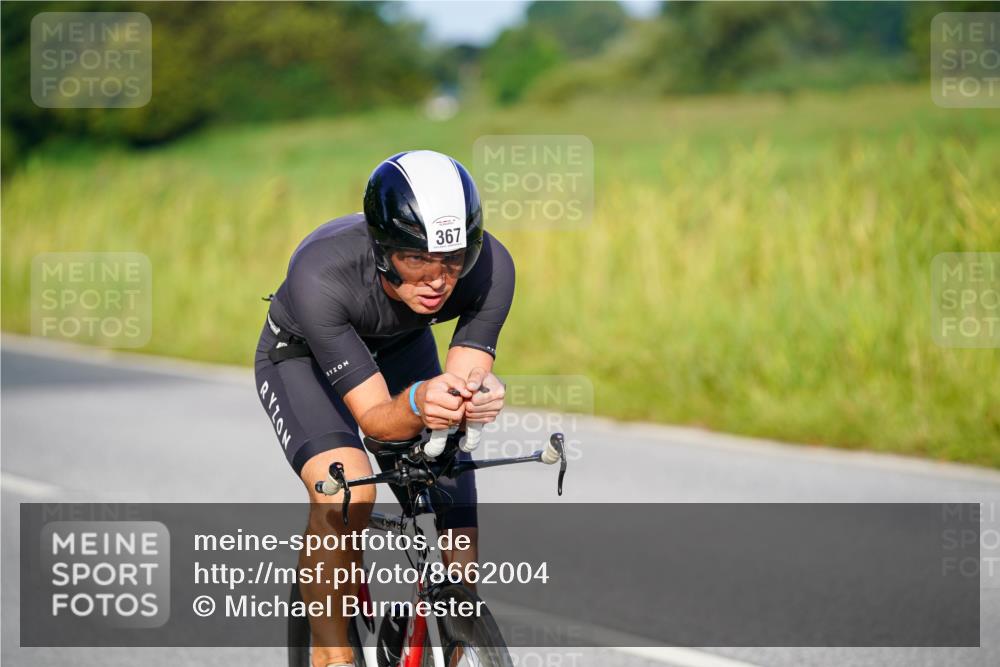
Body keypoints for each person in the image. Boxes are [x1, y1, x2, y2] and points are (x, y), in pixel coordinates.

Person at [254, 150, 515, 667]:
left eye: (452, 260)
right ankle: (335, 656)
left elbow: (462, 380)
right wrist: (420, 401)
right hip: (302, 357)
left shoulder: (491, 268)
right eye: (415, 259)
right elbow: (376, 417)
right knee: (349, 487)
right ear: (381, 250)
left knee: (451, 487)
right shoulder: (321, 272)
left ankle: (461, 639)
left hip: (401, 348)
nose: (438, 280)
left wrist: (473, 397)